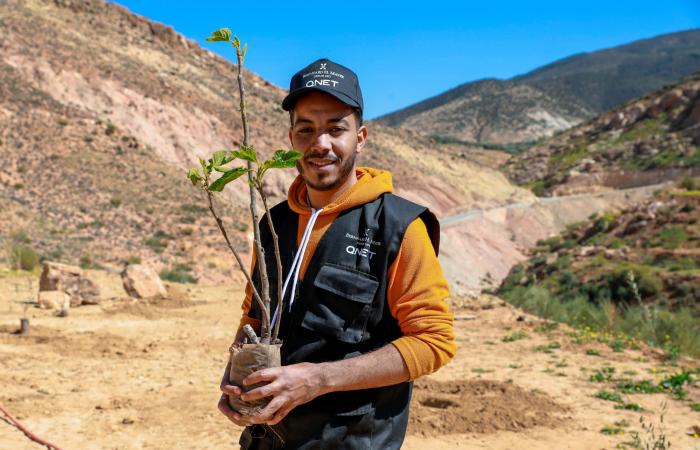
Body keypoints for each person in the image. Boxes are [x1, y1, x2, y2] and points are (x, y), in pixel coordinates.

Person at [218, 58, 456, 449]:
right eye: (306, 129)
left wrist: (317, 379)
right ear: (291, 137)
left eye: (335, 129)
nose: (320, 143)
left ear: (359, 137)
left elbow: (433, 341)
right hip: (266, 438)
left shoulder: (398, 226)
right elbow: (255, 316)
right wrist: (236, 373)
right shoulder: (273, 224)